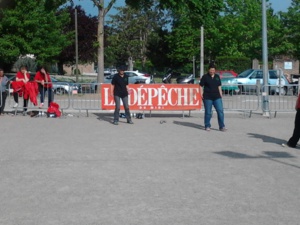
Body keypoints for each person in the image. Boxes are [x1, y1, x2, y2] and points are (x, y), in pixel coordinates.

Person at [200, 64, 226, 131]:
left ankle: (222, 126)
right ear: (208, 70)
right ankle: (207, 125)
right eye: (211, 70)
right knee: (208, 112)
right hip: (207, 97)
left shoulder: (217, 77)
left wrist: (220, 93)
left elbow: (219, 86)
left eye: (213, 70)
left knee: (220, 111)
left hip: (217, 96)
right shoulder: (205, 77)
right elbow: (200, 86)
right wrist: (201, 93)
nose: (212, 71)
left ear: (215, 70)